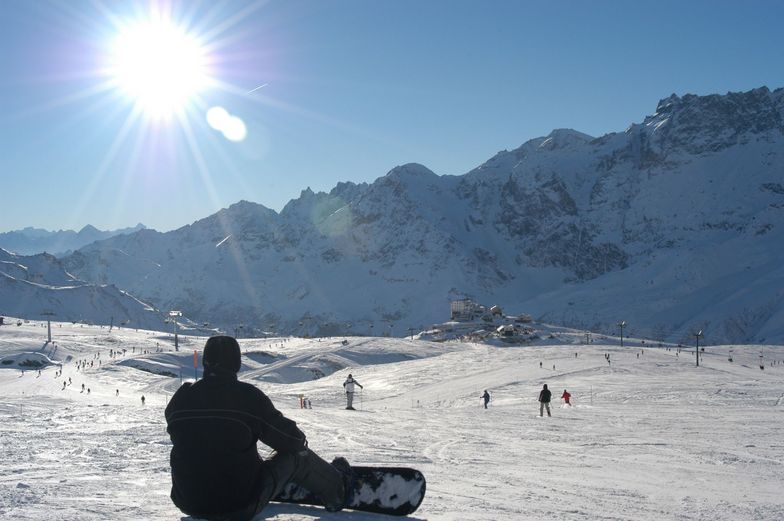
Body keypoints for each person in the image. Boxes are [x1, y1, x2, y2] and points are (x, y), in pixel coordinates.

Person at [165, 336, 352, 520]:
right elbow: (291, 440)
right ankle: (338, 490)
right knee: (298, 456)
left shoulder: (182, 397)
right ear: (236, 364)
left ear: (205, 362)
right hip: (238, 505)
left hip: (188, 502)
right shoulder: (246, 397)